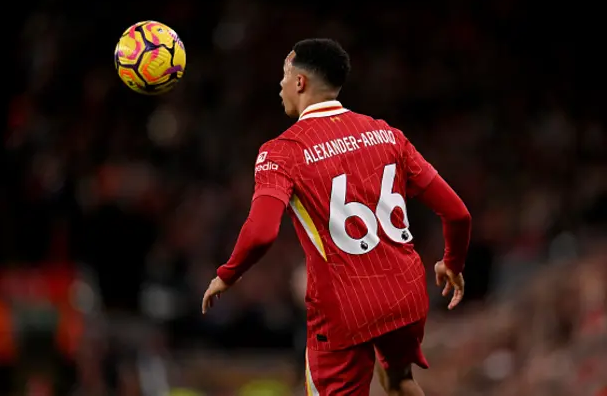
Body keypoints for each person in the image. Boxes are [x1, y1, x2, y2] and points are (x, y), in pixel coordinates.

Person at [202, 39, 471, 396]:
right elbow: (458, 213)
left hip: (345, 308)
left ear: (300, 82)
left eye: (284, 75)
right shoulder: (387, 134)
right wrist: (452, 262)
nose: (279, 85)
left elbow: (262, 233)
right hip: (405, 292)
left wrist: (227, 274)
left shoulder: (282, 152)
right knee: (399, 380)